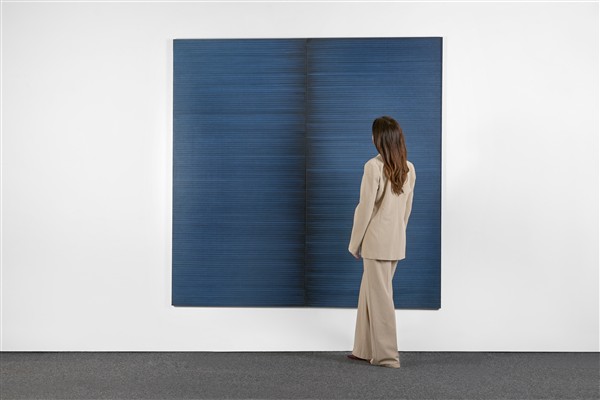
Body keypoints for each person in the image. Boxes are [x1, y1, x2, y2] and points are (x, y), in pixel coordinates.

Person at [346, 116, 416, 369]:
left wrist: (355, 243)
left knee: (380, 299)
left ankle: (387, 357)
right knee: (369, 294)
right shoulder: (409, 168)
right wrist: (398, 234)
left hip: (375, 242)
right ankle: (363, 349)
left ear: (379, 139)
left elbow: (365, 209)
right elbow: (406, 210)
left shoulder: (373, 167)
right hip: (395, 241)